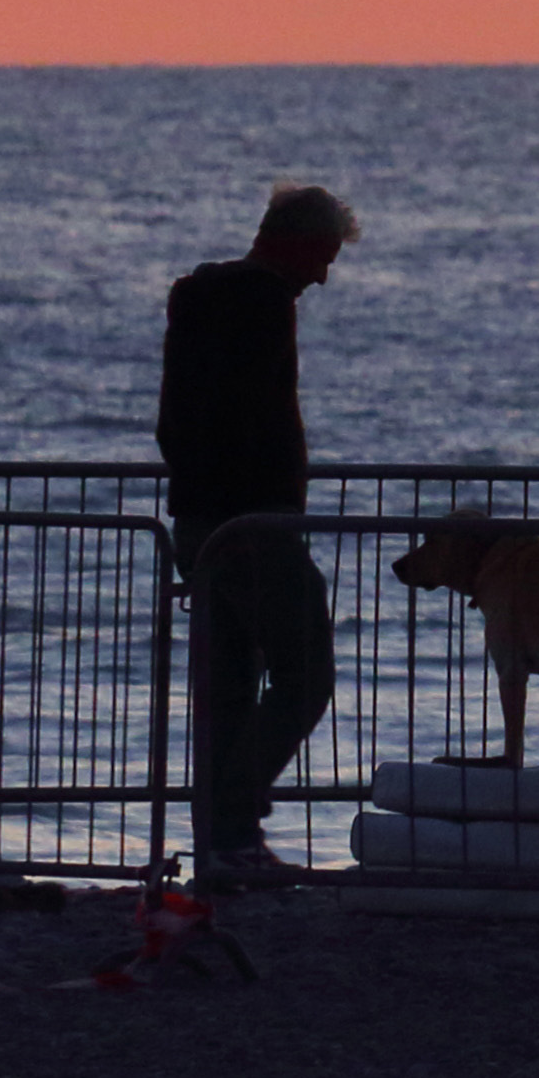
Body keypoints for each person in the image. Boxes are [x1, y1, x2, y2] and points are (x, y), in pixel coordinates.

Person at [159, 181, 357, 880]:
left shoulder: (198, 299)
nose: (324, 276)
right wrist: (264, 509)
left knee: (229, 687)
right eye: (323, 257)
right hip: (252, 525)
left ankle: (224, 842)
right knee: (306, 674)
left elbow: (181, 419)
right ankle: (233, 822)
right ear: (296, 243)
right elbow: (253, 422)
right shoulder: (265, 304)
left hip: (200, 521)